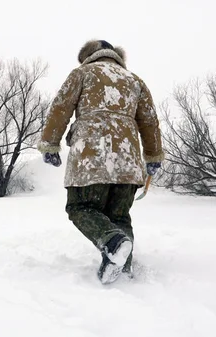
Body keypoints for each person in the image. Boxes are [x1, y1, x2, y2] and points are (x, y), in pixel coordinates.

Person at [38, 40, 164, 284]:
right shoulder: (135, 81)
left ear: (89, 56)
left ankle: (112, 243)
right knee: (119, 216)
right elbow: (150, 122)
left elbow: (60, 108)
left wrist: (50, 144)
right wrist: (153, 156)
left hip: (91, 160)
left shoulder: (82, 73)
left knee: (80, 208)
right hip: (128, 163)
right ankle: (121, 267)